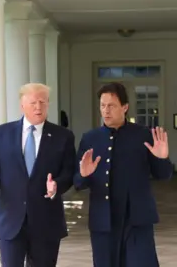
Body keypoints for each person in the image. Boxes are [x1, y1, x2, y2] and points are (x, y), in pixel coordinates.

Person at [0, 83, 76, 267]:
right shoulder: (1, 134)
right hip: (10, 219)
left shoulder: (63, 136)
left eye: (43, 102)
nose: (38, 107)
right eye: (33, 103)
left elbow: (69, 172)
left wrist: (56, 186)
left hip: (46, 221)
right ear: (22, 105)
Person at [74, 82, 173, 267]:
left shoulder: (143, 135)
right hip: (103, 219)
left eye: (111, 105)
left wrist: (162, 158)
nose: (106, 110)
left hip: (137, 218)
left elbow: (164, 175)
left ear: (125, 107)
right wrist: (83, 174)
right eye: (102, 106)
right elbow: (78, 183)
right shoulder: (90, 138)